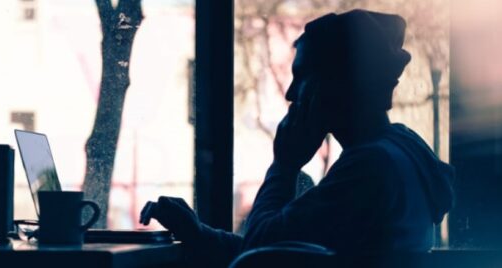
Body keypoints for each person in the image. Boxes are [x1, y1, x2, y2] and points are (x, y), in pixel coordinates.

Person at [148, 9, 454, 267]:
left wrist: (285, 164)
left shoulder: (369, 167)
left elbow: (258, 255)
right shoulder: (398, 151)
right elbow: (281, 244)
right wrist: (200, 234)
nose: (291, 93)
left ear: (340, 81)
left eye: (303, 75)